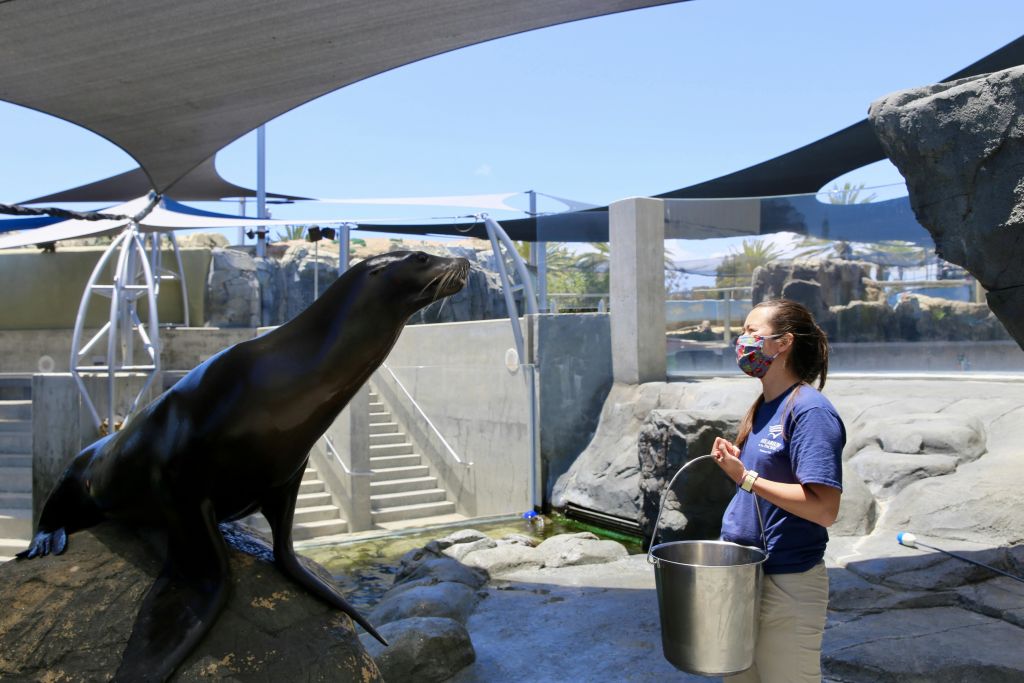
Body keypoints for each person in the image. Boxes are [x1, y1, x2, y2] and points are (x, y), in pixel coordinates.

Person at [712, 299, 845, 683]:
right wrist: (739, 467)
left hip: (786, 584)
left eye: (753, 333)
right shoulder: (764, 406)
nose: (743, 340)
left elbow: (824, 510)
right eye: (743, 332)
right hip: (742, 577)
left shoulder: (810, 411)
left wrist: (748, 478)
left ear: (783, 342)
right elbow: (768, 482)